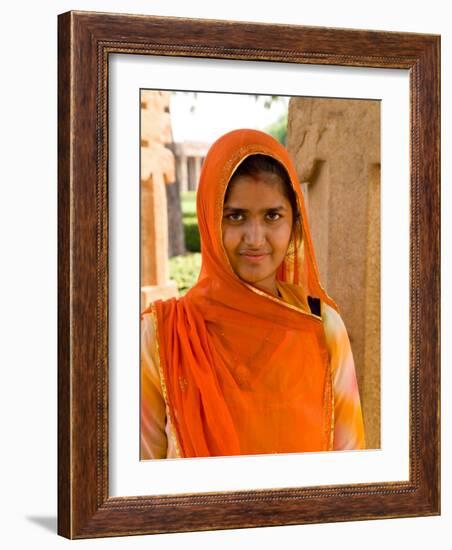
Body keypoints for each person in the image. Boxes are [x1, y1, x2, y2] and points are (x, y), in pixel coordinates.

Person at [140, 128, 365, 459]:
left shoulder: (322, 326)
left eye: (272, 216)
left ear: (295, 223)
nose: (255, 238)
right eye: (235, 216)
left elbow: (350, 464)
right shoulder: (164, 334)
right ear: (209, 219)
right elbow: (141, 474)